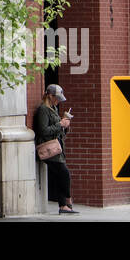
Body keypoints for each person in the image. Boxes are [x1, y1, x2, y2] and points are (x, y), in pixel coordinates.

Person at [34, 83, 75, 214]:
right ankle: (67, 200)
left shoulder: (53, 109)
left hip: (57, 147)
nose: (58, 101)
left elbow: (58, 130)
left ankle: (63, 206)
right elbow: (43, 130)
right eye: (56, 98)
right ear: (50, 96)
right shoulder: (43, 110)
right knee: (64, 173)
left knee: (59, 175)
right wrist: (60, 124)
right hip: (48, 148)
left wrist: (64, 125)